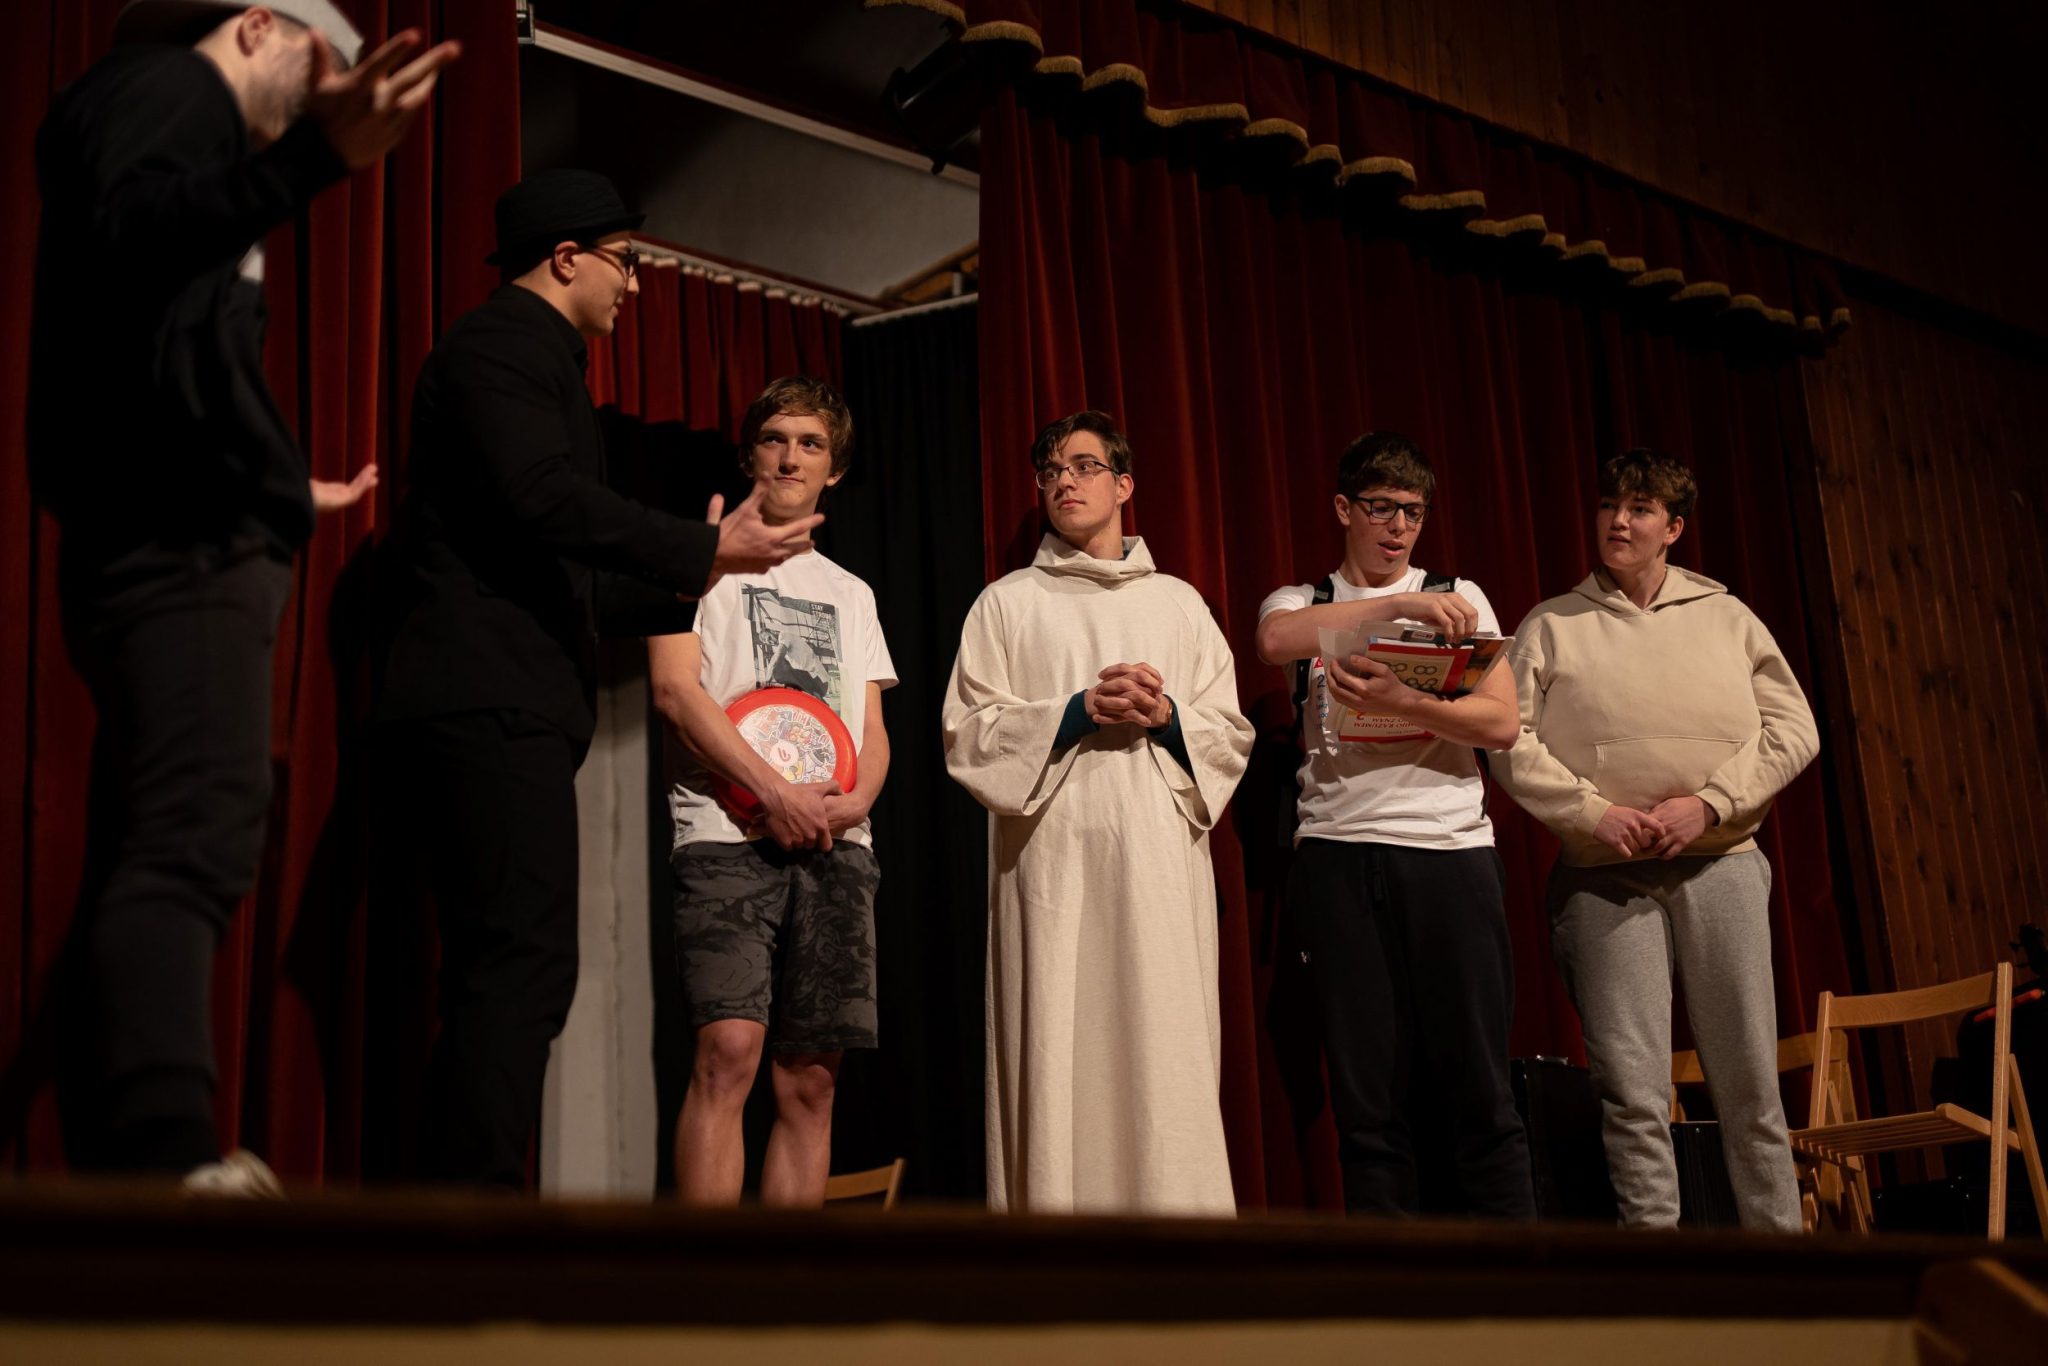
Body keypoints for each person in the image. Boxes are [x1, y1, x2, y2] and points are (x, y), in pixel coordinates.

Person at [28, 0, 458, 1191]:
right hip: (180, 535)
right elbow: (129, 238)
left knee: (177, 834)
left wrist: (277, 479)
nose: (324, 105)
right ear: (259, 26)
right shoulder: (171, 91)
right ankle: (169, 1164)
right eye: (320, 77)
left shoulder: (196, 145)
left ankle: (138, 1168)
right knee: (195, 836)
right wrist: (315, 156)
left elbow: (157, 343)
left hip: (186, 518)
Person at [373, 171, 818, 1189]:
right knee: (518, 968)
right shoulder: (500, 346)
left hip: (504, 699)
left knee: (508, 971)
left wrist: (704, 575)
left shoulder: (538, 363)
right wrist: (698, 546)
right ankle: (472, 1231)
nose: (635, 284)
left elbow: (565, 576)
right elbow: (544, 498)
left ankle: (457, 1220)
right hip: (487, 698)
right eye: (625, 261)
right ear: (567, 257)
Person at [1492, 448, 1819, 1232]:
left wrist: (1710, 804)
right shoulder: (1552, 624)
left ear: (1673, 528)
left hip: (1722, 866)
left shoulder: (1728, 618)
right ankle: (1657, 1269)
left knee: (1748, 1086)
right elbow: (1507, 740)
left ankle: (1784, 1266)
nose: (1618, 521)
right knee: (1631, 1093)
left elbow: (1795, 730)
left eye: (1639, 508)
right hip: (1605, 877)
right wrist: (1590, 813)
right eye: (1609, 505)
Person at [944, 410, 1252, 1216]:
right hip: (1052, 868)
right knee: (1060, 1044)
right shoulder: (1006, 605)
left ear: (1124, 485)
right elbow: (968, 735)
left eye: (1083, 466)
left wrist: (1167, 717)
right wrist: (1078, 711)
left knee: (1160, 1046)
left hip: (1156, 864)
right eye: (1050, 471)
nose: (1064, 482)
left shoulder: (1179, 606)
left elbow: (1229, 735)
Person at [1254, 432, 1534, 1218]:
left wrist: (1406, 703)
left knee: (1480, 1089)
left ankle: (1522, 1282)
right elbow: (1273, 643)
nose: (1399, 527)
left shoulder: (1460, 596)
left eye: (1413, 512)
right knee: (1368, 1102)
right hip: (1339, 855)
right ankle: (1392, 1284)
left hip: (1447, 851)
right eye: (1381, 508)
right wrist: (1401, 606)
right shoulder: (1301, 602)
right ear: (1344, 509)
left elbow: (1502, 724)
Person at [649, 378, 894, 1207]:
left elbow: (871, 727)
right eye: (775, 438)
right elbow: (675, 692)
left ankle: (789, 1278)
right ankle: (709, 1276)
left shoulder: (852, 592)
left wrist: (855, 804)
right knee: (727, 1054)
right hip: (725, 834)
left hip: (837, 845)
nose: (791, 457)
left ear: (835, 470)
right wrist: (771, 792)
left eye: (811, 443)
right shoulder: (693, 560)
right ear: (749, 454)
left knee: (811, 1080)